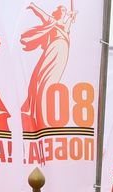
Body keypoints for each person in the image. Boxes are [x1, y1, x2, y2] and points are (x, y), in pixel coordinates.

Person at [21, 4, 76, 132]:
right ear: (57, 12)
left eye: (65, 10)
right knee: (42, 77)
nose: (64, 12)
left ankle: (45, 108)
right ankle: (38, 108)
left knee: (53, 79)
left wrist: (73, 15)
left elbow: (71, 20)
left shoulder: (65, 25)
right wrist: (33, 6)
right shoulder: (52, 21)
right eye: (62, 10)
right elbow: (41, 14)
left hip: (63, 52)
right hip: (53, 49)